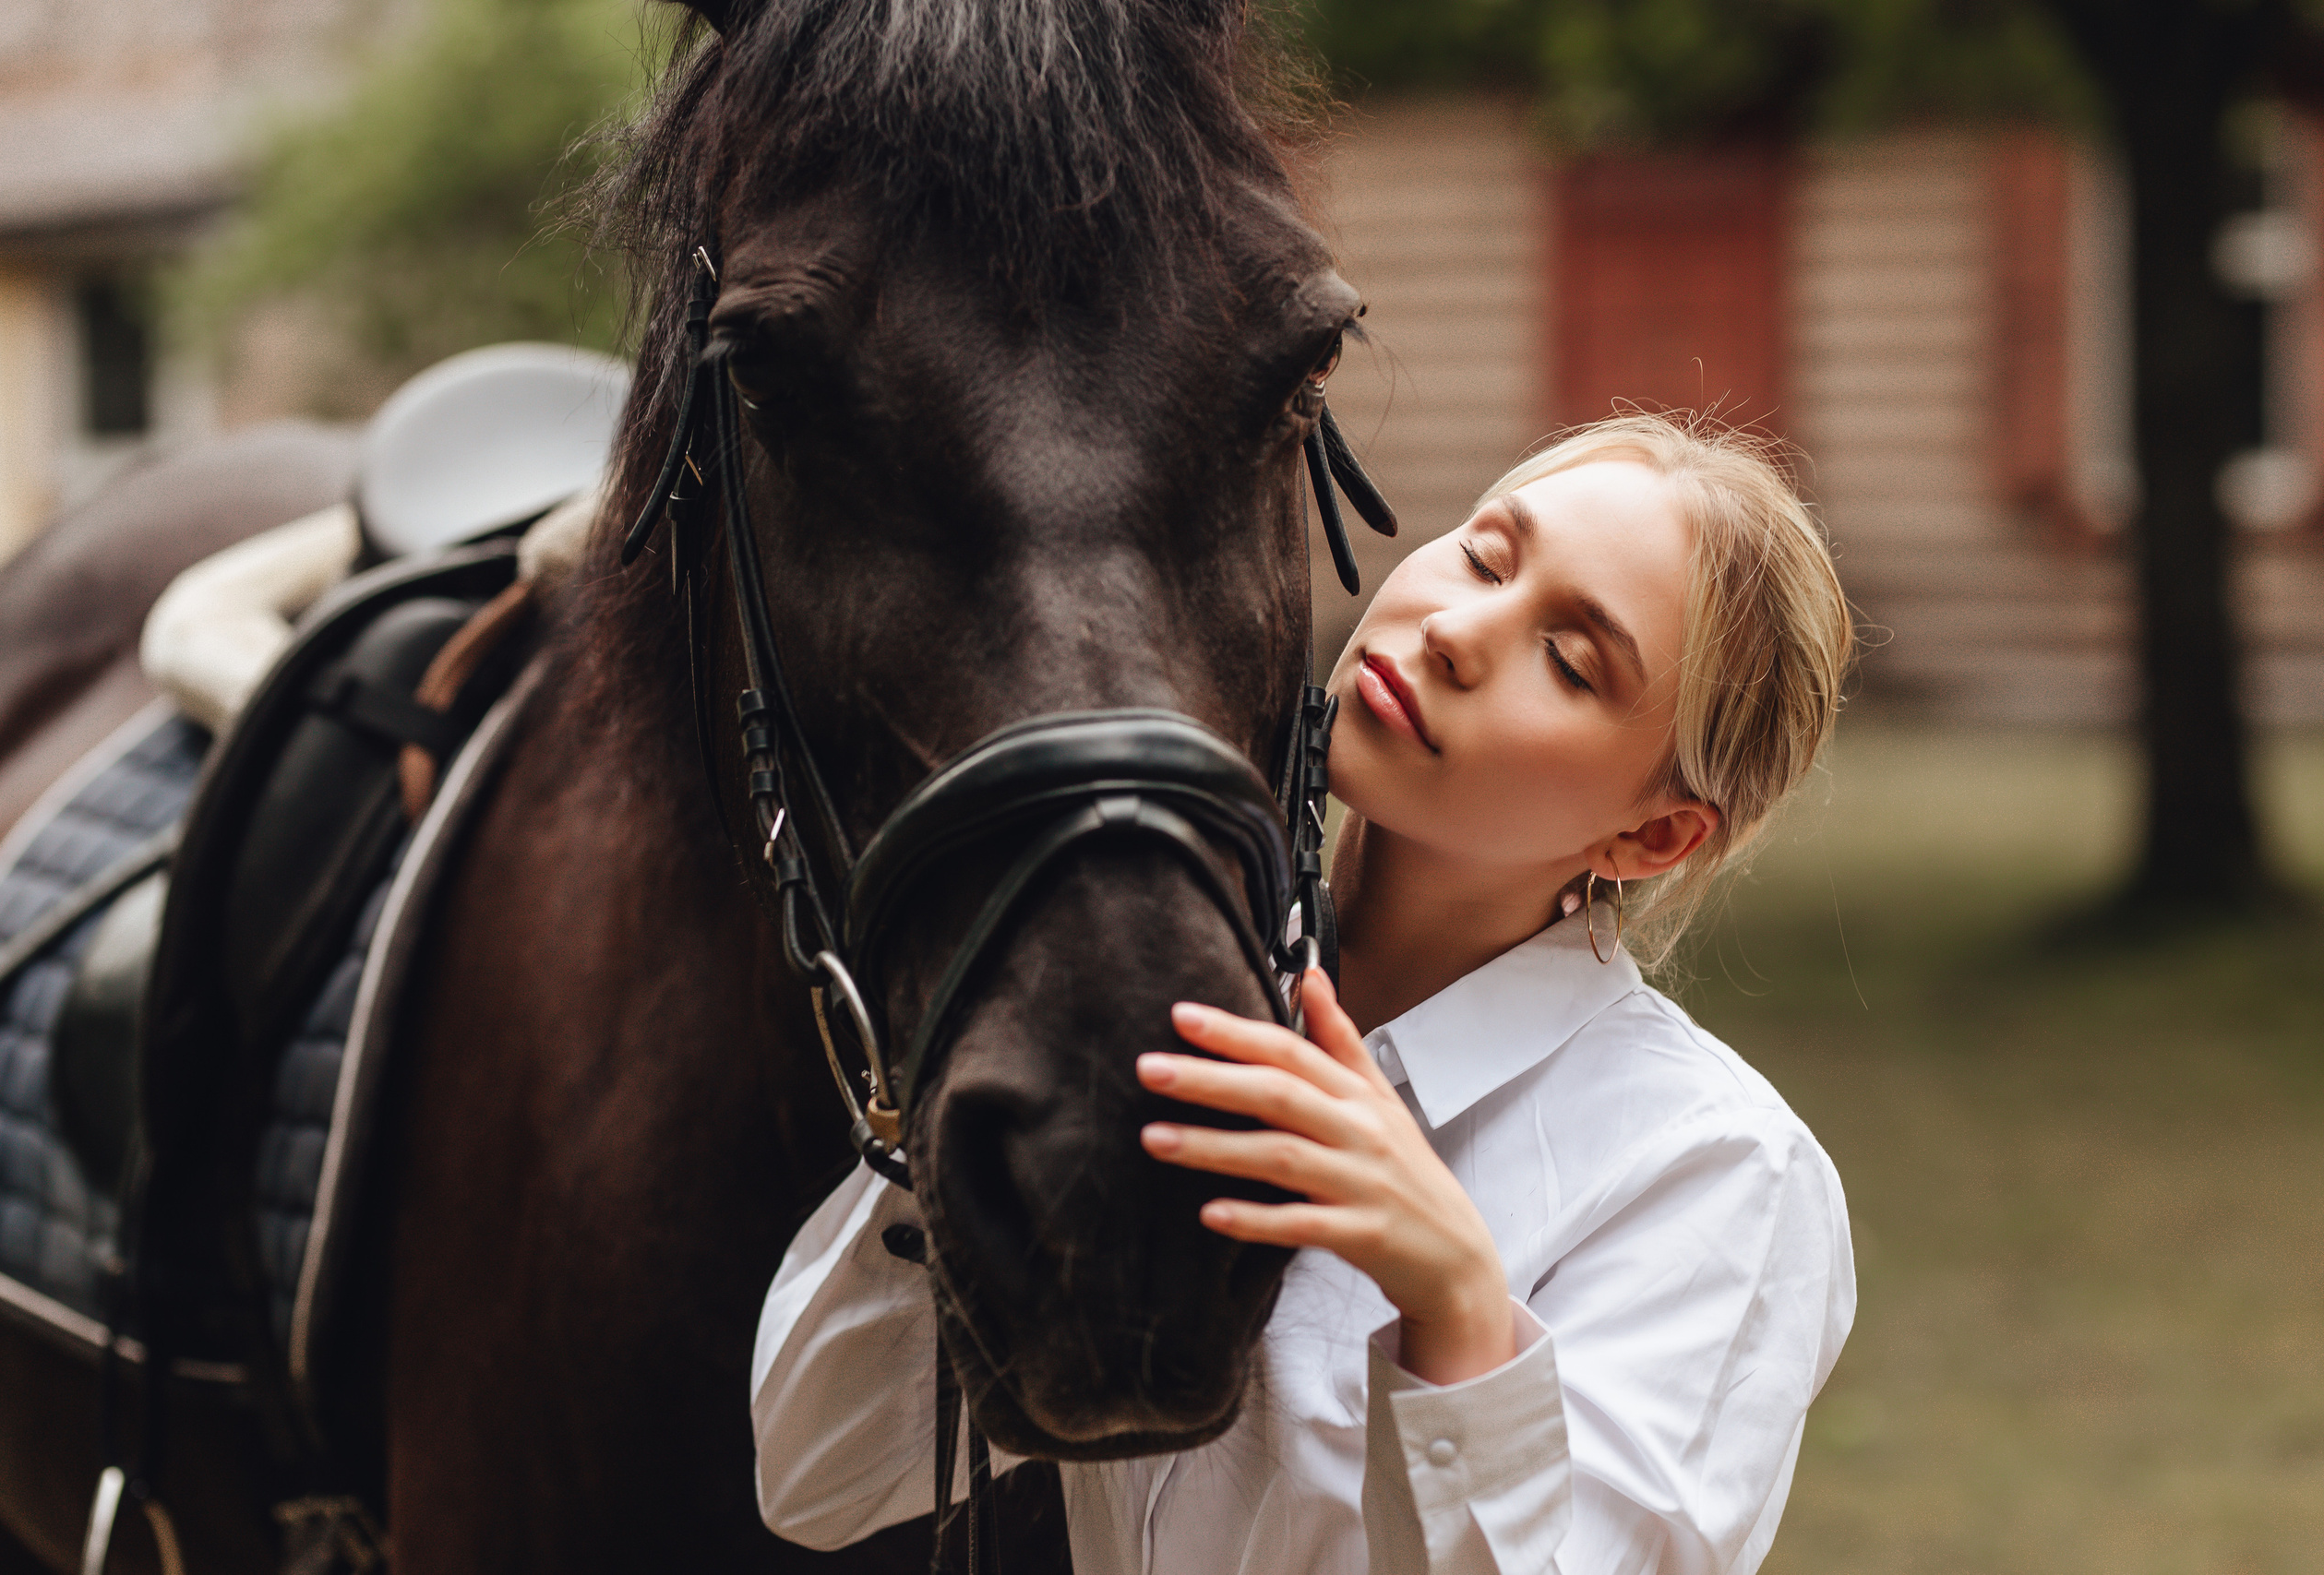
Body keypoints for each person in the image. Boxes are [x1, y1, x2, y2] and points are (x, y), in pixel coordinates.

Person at [752, 412, 1859, 1574]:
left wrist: (1459, 1308)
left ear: (1651, 834)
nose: (1457, 630)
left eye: (1570, 659)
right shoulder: (1173, 999)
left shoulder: (1723, 1175)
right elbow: (815, 1471)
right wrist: (970, 1101)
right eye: (1486, 554)